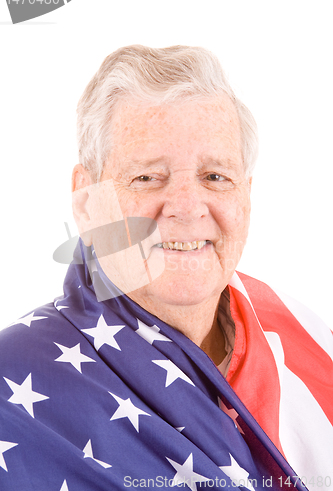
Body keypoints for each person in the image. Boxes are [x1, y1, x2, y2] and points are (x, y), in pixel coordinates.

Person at [0, 45, 332, 491]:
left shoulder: (309, 342)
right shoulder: (11, 385)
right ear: (86, 201)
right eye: (147, 177)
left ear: (246, 196)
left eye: (216, 176)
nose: (186, 208)